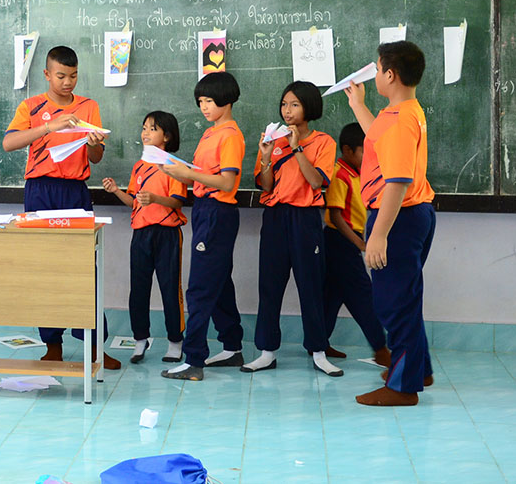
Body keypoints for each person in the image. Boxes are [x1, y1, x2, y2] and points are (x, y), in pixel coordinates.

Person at [3, 45, 118, 369]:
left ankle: (95, 345)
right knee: (44, 267)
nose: (68, 82)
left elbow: (95, 157)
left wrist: (94, 146)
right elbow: (9, 142)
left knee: (84, 268)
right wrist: (48, 127)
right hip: (40, 190)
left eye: (74, 76)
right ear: (47, 75)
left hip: (75, 191)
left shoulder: (88, 106)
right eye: (61, 76)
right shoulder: (32, 105)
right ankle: (52, 342)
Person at [346, 41, 436, 407]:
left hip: (396, 217)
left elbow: (397, 182)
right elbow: (378, 141)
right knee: (405, 297)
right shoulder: (402, 111)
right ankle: (418, 369)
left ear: (390, 74)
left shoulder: (400, 121)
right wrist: (358, 105)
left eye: (378, 68)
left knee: (394, 302)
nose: (376, 74)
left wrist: (378, 235)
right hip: (411, 214)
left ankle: (402, 387)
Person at [242, 82, 341, 376]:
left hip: (306, 218)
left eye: (294, 104)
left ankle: (319, 350)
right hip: (275, 217)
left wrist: (297, 147)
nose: (287, 110)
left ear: (308, 107)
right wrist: (264, 155)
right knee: (269, 285)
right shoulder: (272, 138)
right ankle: (266, 351)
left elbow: (316, 182)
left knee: (311, 285)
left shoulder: (324, 142)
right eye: (284, 104)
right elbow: (266, 185)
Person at [162, 72, 246, 380]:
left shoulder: (230, 135)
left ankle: (193, 359)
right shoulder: (211, 133)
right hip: (206, 209)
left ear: (226, 99)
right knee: (219, 282)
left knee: (199, 286)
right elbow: (202, 173)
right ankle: (233, 347)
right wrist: (176, 169)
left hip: (218, 211)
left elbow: (226, 180)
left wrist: (190, 175)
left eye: (209, 101)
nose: (204, 107)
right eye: (200, 102)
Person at [101, 110, 187, 365]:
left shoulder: (174, 165)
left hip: (167, 233)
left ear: (167, 136)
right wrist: (116, 191)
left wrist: (155, 199)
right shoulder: (139, 166)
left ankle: (175, 342)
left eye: (152, 128)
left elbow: (177, 202)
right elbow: (135, 202)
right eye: (144, 128)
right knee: (138, 289)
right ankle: (140, 340)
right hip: (141, 233)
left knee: (170, 288)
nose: (145, 133)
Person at [322, 123, 389, 367]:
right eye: (364, 151)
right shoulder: (339, 174)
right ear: (348, 150)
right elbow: (337, 217)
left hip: (348, 240)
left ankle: (318, 343)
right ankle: (381, 349)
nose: (369, 157)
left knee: (333, 294)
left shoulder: (358, 173)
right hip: (339, 241)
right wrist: (361, 244)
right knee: (363, 295)